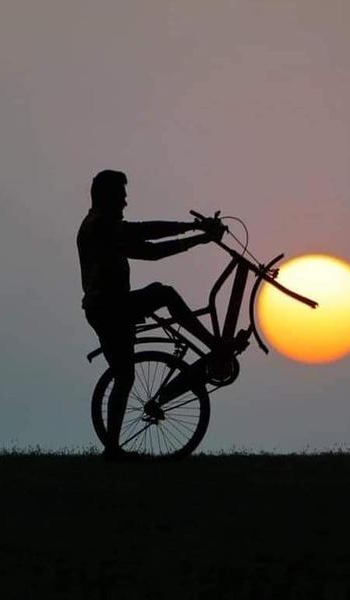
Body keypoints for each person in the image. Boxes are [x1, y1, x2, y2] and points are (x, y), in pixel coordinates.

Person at [77, 170, 226, 459]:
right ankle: (214, 345)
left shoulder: (102, 224)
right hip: (110, 308)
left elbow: (146, 232)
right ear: (107, 198)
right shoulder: (101, 227)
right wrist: (198, 237)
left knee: (124, 376)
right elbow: (149, 246)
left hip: (107, 307)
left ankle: (112, 449)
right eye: (121, 197)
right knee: (163, 294)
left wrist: (194, 229)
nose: (125, 203)